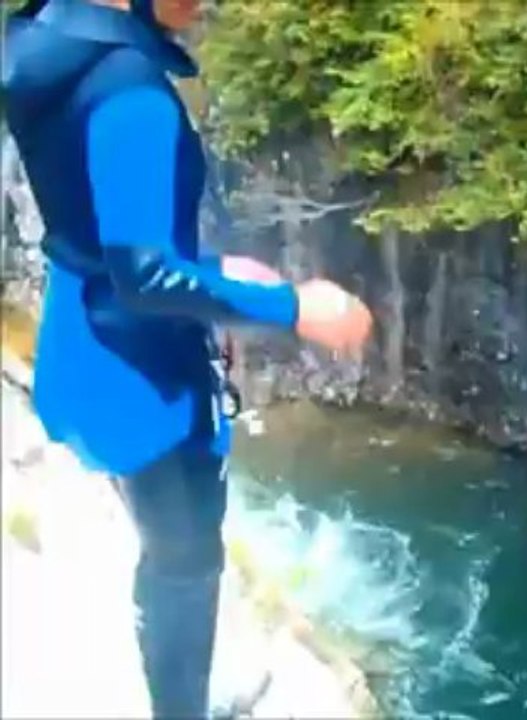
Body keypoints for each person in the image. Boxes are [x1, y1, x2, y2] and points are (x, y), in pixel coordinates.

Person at [2, 0, 374, 717]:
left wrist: (216, 273)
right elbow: (145, 278)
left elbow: (94, 223)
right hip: (139, 374)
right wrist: (297, 307)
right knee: (186, 561)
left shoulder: (45, 41)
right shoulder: (130, 90)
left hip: (78, 342)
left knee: (162, 540)